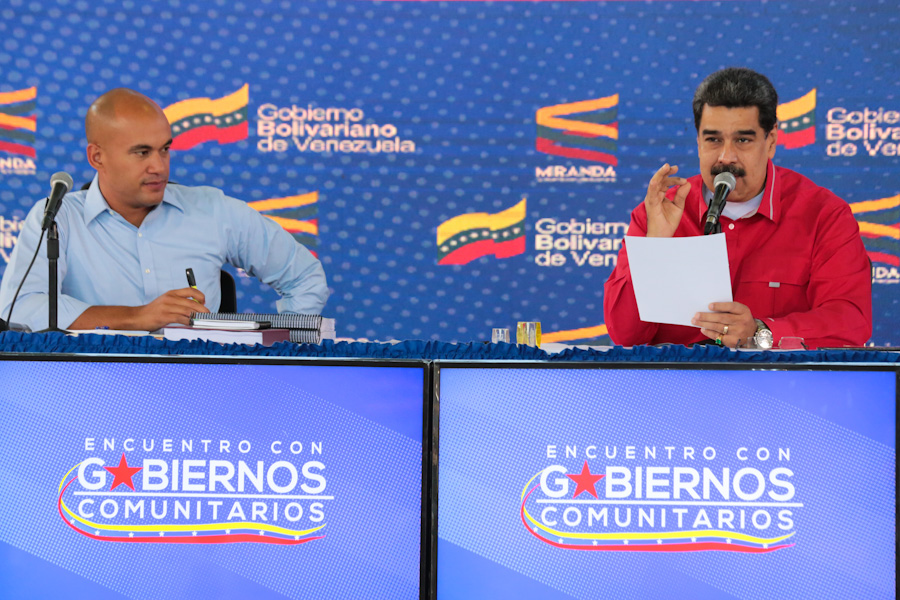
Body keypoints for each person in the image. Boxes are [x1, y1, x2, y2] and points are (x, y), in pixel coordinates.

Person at [0, 88, 328, 331]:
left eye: (165, 149)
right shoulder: (59, 218)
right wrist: (136, 317)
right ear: (97, 157)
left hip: (199, 393)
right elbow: (19, 305)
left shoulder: (212, 210)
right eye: (141, 152)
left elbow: (303, 277)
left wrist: (285, 352)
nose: (159, 166)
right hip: (95, 394)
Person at [604, 67, 871, 350]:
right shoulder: (658, 213)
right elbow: (625, 335)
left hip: (779, 388)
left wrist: (761, 332)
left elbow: (850, 321)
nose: (726, 157)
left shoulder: (823, 215)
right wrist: (655, 247)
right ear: (698, 141)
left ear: (770, 142)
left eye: (743, 140)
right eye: (713, 139)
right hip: (679, 387)